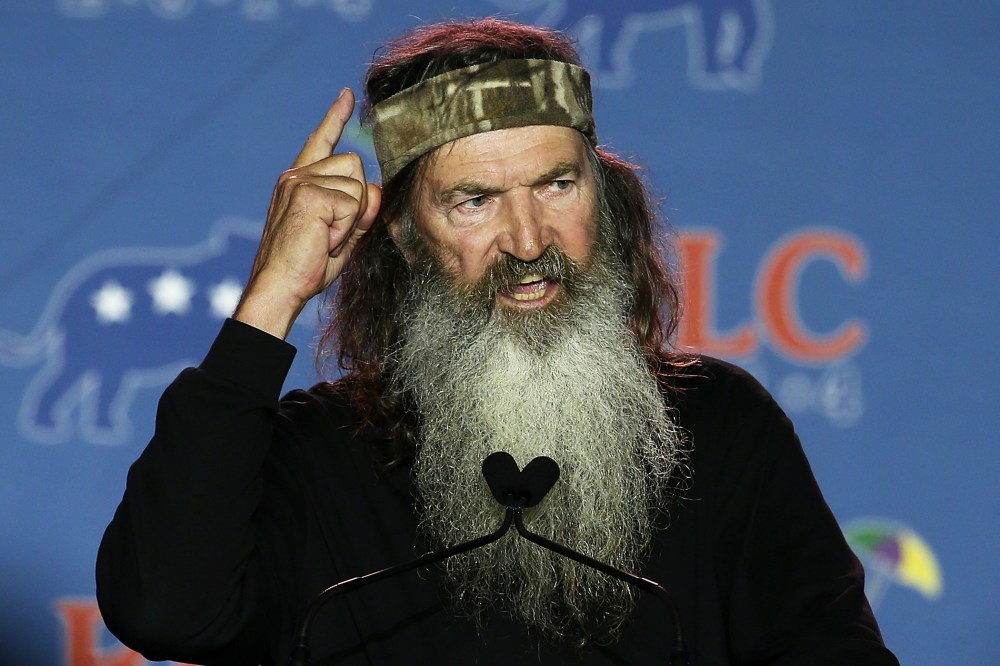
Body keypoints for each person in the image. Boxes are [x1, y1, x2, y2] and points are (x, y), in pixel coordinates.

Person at [96, 18, 898, 666]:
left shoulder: (720, 424)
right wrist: (273, 295)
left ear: (605, 199)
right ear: (405, 236)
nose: (527, 239)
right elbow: (168, 614)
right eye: (474, 200)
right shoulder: (315, 454)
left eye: (557, 185)